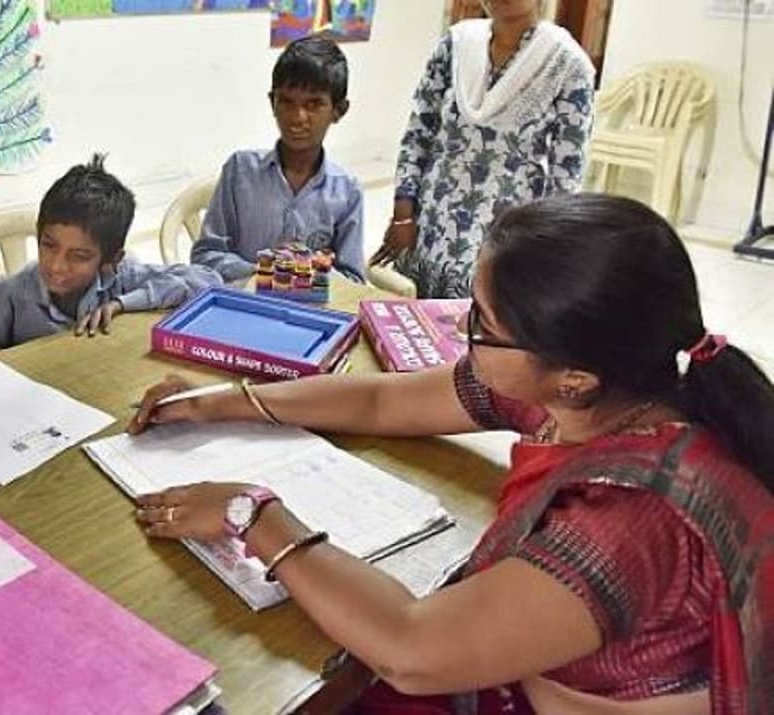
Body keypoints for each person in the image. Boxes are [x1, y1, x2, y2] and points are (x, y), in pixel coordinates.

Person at [130, 194, 773, 713]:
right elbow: (379, 402)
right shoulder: (604, 391)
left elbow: (411, 649)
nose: (464, 333)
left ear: (573, 375)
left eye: (482, 325)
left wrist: (254, 515)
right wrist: (224, 401)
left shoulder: (629, 518)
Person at [371, 0, 594, 298]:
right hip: (430, 226)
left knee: (479, 317)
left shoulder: (566, 63)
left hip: (505, 237)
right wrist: (402, 217)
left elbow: (566, 176)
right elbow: (418, 134)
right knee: (413, 318)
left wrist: (544, 251)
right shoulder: (457, 45)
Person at [0, 154, 220, 350]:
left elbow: (208, 280)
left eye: (78, 256)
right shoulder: (11, 293)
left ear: (111, 259)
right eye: (49, 245)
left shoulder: (121, 279)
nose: (56, 266)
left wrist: (122, 304)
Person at [191, 33, 365, 283]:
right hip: (246, 302)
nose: (297, 117)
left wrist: (311, 271)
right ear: (272, 102)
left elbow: (353, 280)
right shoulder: (240, 171)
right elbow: (206, 256)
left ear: (339, 110)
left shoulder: (347, 191)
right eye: (286, 101)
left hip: (313, 306)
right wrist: (265, 270)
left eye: (314, 104)